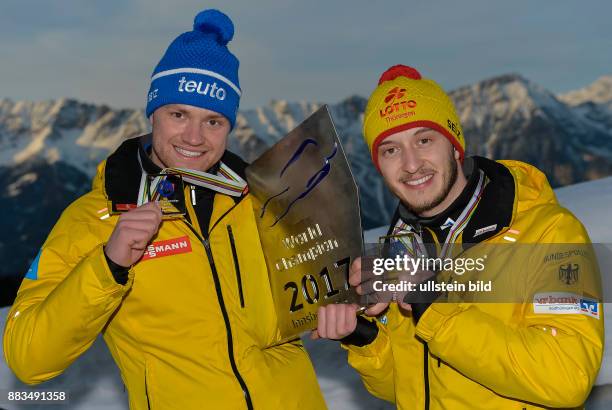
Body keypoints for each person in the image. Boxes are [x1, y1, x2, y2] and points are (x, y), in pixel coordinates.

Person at [3, 9, 326, 410]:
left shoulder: (265, 200)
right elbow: (28, 357)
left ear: (229, 127)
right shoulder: (96, 218)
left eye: (213, 121)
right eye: (179, 115)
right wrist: (109, 265)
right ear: (153, 113)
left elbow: (319, 294)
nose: (194, 137)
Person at [315, 65, 604, 409]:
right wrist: (364, 336)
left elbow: (566, 378)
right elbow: (409, 385)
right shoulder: (403, 246)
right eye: (391, 150)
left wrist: (433, 305)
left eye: (424, 140)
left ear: (454, 147)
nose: (410, 164)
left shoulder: (550, 233)